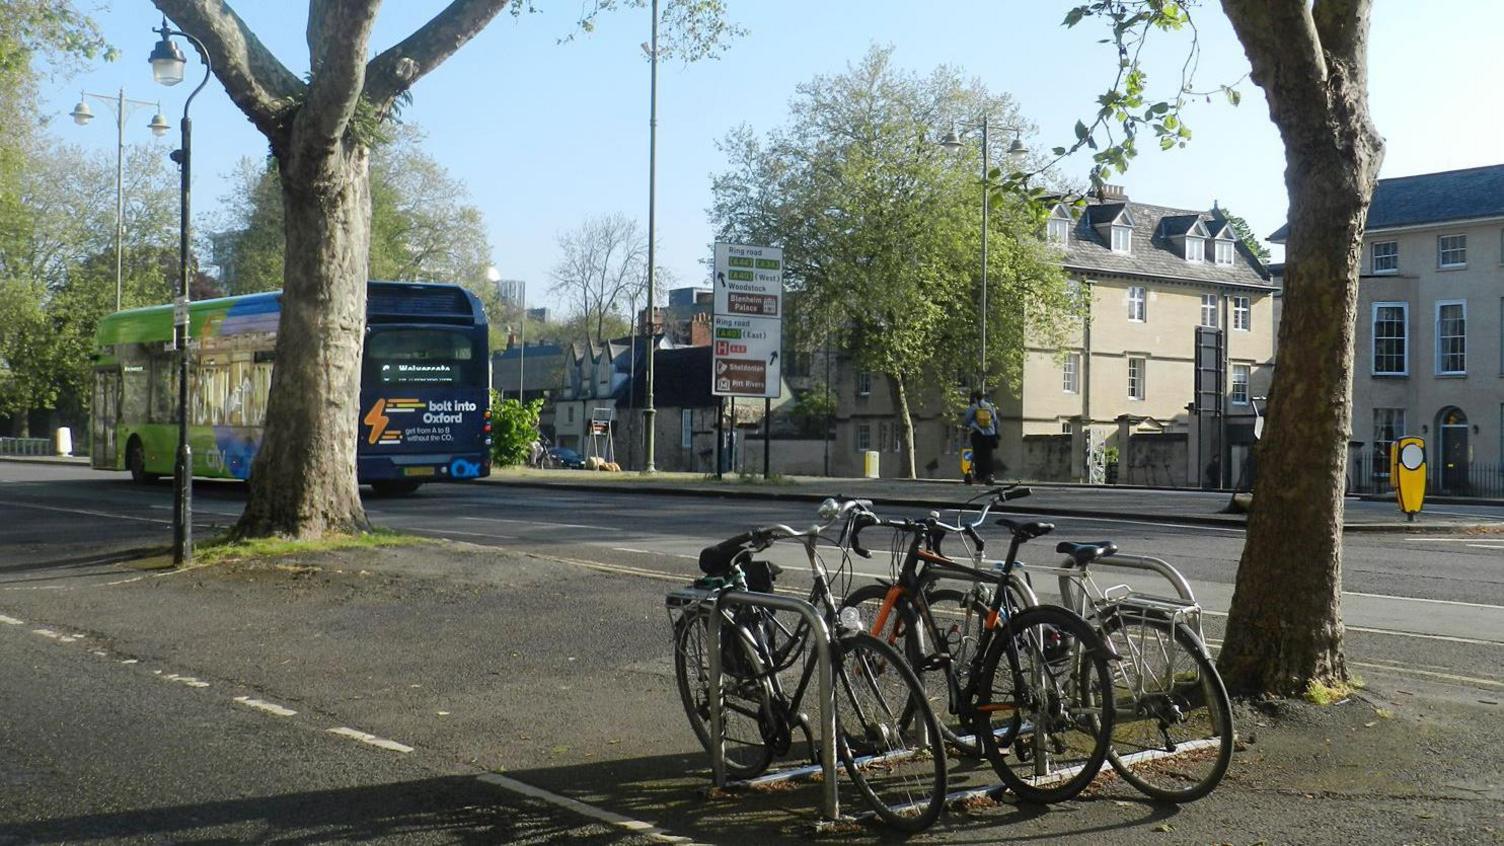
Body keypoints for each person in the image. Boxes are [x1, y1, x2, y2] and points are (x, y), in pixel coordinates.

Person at [964, 390, 999, 485]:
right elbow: (995, 420)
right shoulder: (990, 406)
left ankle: (979, 476)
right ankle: (990, 475)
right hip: (990, 435)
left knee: (978, 455)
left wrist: (970, 425)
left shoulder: (973, 407)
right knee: (988, 456)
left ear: (974, 398)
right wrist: (996, 433)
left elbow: (966, 420)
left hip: (977, 434)